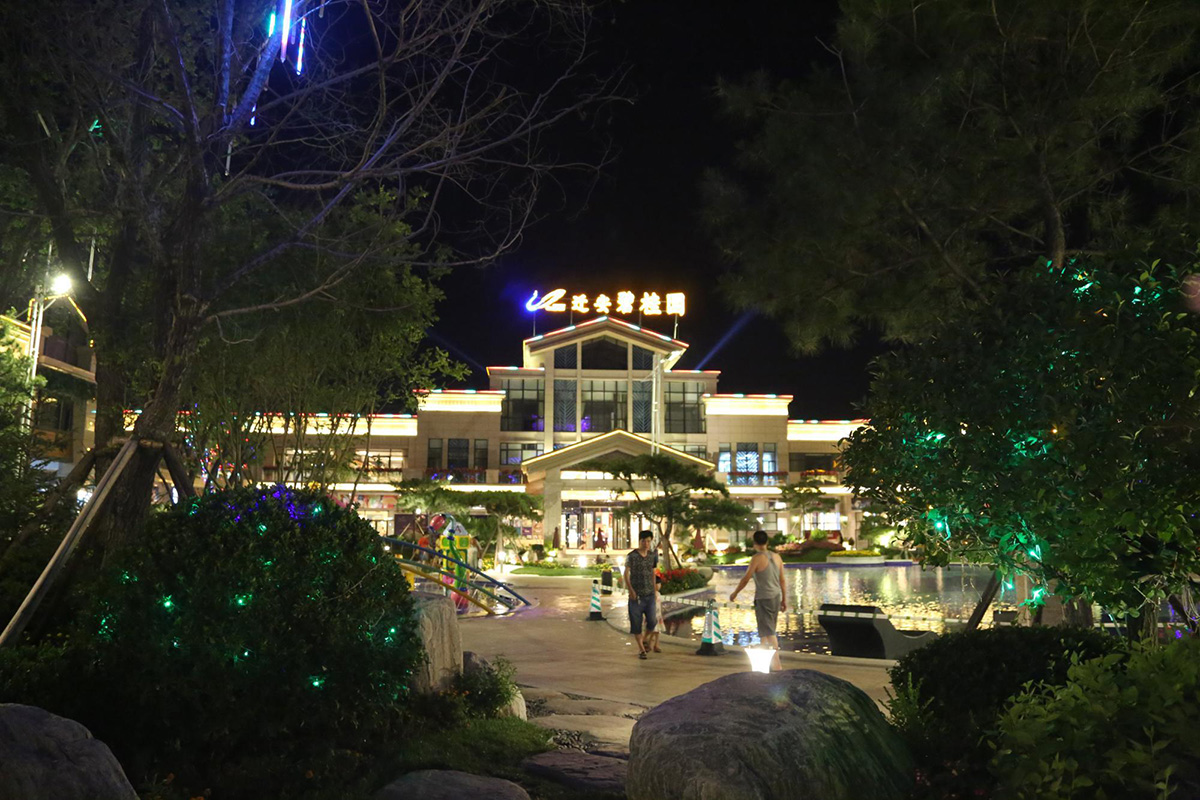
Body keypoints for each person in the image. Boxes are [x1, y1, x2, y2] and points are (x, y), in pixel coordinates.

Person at [730, 530, 787, 671]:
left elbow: (746, 578)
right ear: (767, 542)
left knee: (769, 632)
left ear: (754, 543)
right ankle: (765, 663)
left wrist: (735, 593)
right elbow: (782, 580)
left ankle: (777, 664)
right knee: (764, 631)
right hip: (775, 596)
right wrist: (784, 599)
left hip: (764, 597)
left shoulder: (757, 559)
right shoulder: (777, 557)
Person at [624, 529, 659, 660]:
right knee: (636, 624)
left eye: (649, 541)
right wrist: (631, 590)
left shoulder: (652, 556)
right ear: (640, 541)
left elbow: (653, 573)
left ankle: (644, 639)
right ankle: (641, 649)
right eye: (644, 541)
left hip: (649, 595)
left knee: (652, 621)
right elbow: (626, 574)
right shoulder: (632, 556)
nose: (646, 544)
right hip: (636, 596)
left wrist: (654, 590)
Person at [644, 573, 664, 653]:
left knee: (657, 631)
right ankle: (648, 643)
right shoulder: (650, 594)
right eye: (657, 584)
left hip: (658, 616)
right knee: (652, 630)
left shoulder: (658, 594)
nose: (659, 586)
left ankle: (656, 645)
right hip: (652, 615)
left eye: (659, 584)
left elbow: (660, 604)